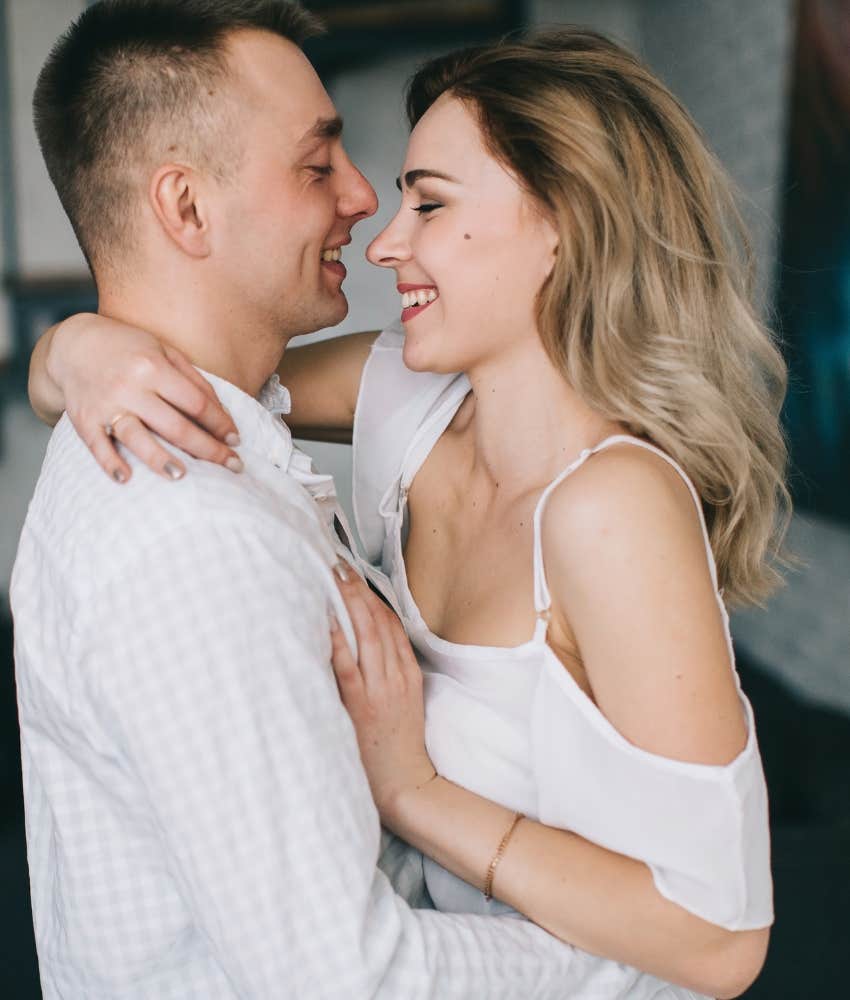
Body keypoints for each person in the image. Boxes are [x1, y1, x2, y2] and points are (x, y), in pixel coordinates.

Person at [25, 19, 787, 1000]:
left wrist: (411, 792)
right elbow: (208, 370)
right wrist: (74, 350)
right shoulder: (406, 401)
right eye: (337, 175)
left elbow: (720, 944)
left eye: (427, 202)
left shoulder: (611, 511)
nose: (381, 235)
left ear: (563, 220)